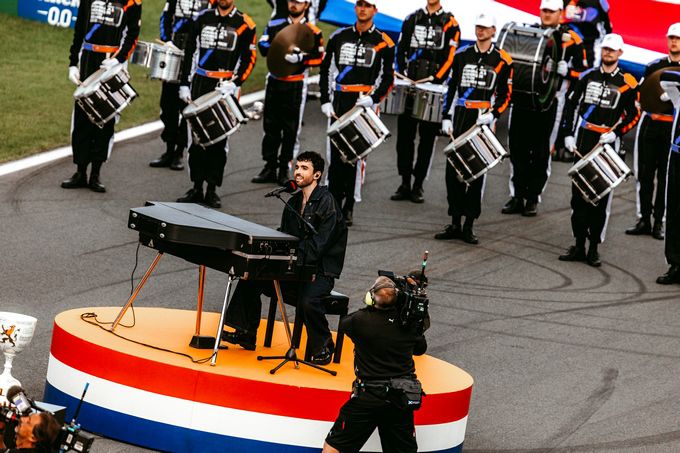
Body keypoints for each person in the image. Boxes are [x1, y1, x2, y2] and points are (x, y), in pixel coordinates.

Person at [223, 151, 347, 365]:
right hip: (295, 266)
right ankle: (246, 332)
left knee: (309, 301)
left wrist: (290, 255)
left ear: (317, 175)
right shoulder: (294, 201)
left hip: (319, 272)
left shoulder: (328, 204)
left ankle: (323, 344)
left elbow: (319, 246)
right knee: (251, 276)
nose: (298, 172)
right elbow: (285, 236)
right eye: (297, 167)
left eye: (304, 168)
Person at [559, 33, 640, 267]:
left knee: (600, 198)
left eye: (612, 50)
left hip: (607, 143)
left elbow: (634, 115)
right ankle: (578, 244)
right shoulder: (587, 76)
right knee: (578, 197)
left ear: (620, 53)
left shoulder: (628, 82)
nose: (608, 53)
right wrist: (567, 133)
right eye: (605, 49)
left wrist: (618, 132)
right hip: (584, 139)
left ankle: (594, 247)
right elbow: (571, 104)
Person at [322, 276, 427, 453]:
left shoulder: (359, 321)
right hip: (400, 399)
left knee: (334, 448)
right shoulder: (409, 325)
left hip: (367, 397)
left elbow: (343, 324)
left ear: (371, 298)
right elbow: (420, 349)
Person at [502, 0, 588, 217]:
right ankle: (517, 195)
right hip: (523, 99)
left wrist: (567, 71)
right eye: (544, 11)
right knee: (517, 147)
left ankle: (533, 197)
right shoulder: (530, 33)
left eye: (551, 11)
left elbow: (583, 74)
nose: (547, 15)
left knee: (541, 151)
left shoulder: (574, 40)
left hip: (551, 101)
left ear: (560, 13)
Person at [437, 13, 513, 244]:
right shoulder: (462, 55)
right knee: (454, 171)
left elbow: (506, 94)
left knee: (477, 171)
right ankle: (454, 222)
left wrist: (493, 114)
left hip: (483, 119)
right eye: (478, 27)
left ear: (493, 31)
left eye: (485, 28)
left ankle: (469, 223)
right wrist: (446, 116)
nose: (481, 31)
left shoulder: (503, 60)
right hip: (461, 115)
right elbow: (451, 88)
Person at [319, 0, 395, 226]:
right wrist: (325, 100)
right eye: (360, 4)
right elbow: (325, 70)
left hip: (363, 104)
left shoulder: (384, 42)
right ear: (355, 8)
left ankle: (349, 205)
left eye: (368, 5)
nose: (363, 8)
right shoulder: (338, 37)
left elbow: (388, 78)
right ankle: (331, 204)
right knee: (334, 154)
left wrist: (373, 99)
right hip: (339, 101)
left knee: (355, 157)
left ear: (375, 10)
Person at [175, 0, 257, 208]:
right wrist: (185, 83)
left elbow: (250, 58)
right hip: (200, 83)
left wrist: (235, 83)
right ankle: (196, 186)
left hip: (225, 87)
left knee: (219, 140)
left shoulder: (246, 24)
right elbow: (190, 51)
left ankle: (212, 188)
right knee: (196, 138)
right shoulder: (202, 18)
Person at [64, 0, 142, 193]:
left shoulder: (133, 1)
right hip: (88, 59)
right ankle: (80, 171)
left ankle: (96, 174)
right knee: (82, 117)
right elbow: (79, 28)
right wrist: (73, 62)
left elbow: (132, 35)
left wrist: (118, 59)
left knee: (106, 118)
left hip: (112, 63)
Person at [390, 0, 460, 204]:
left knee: (427, 139)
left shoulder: (451, 23)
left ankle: (418, 183)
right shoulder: (411, 18)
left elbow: (450, 57)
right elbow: (401, 48)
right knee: (404, 136)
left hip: (433, 88)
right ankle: (404, 181)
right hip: (409, 85)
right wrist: (402, 73)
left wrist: (435, 78)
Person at [251, 0, 324, 186]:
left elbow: (320, 58)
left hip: (295, 84)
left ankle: (285, 168)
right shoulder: (275, 24)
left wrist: (303, 58)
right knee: (270, 125)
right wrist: (279, 47)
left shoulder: (312, 31)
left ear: (306, 4)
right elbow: (263, 47)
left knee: (290, 128)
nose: (294, 5)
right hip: (275, 81)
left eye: (298, 2)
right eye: (291, 1)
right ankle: (269, 166)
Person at [625, 23, 680, 240]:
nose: (674, 41)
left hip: (672, 128)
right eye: (671, 38)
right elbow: (642, 94)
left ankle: (659, 222)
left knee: (666, 177)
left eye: (677, 38)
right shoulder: (653, 66)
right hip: (650, 124)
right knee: (644, 174)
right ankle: (643, 218)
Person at [148, 0, 216, 171]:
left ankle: (180, 151)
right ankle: (169, 148)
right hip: (174, 55)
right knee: (167, 104)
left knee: (185, 107)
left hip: (196, 57)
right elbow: (165, 17)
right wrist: (166, 40)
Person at [657, 68, 680, 284]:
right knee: (674, 209)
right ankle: (675, 264)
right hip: (678, 154)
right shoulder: (678, 92)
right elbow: (665, 78)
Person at [561, 0, 612, 67]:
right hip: (568, 40)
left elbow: (607, 27)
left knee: (590, 70)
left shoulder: (599, 3)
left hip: (591, 43)